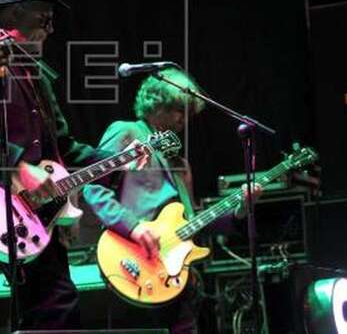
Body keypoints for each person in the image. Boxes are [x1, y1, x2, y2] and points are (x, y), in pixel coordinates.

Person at [0, 0, 149, 330]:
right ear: (15, 11)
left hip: (38, 215)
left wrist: (120, 161)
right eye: (44, 17)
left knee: (56, 308)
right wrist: (19, 167)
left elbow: (62, 150)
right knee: (53, 306)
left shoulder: (33, 70)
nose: (51, 29)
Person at [82, 68, 260, 333]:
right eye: (178, 109)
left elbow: (192, 223)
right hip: (132, 263)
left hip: (176, 279)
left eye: (187, 113)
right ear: (155, 103)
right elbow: (93, 188)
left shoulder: (181, 165)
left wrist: (240, 210)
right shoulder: (126, 132)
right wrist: (133, 226)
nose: (182, 119)